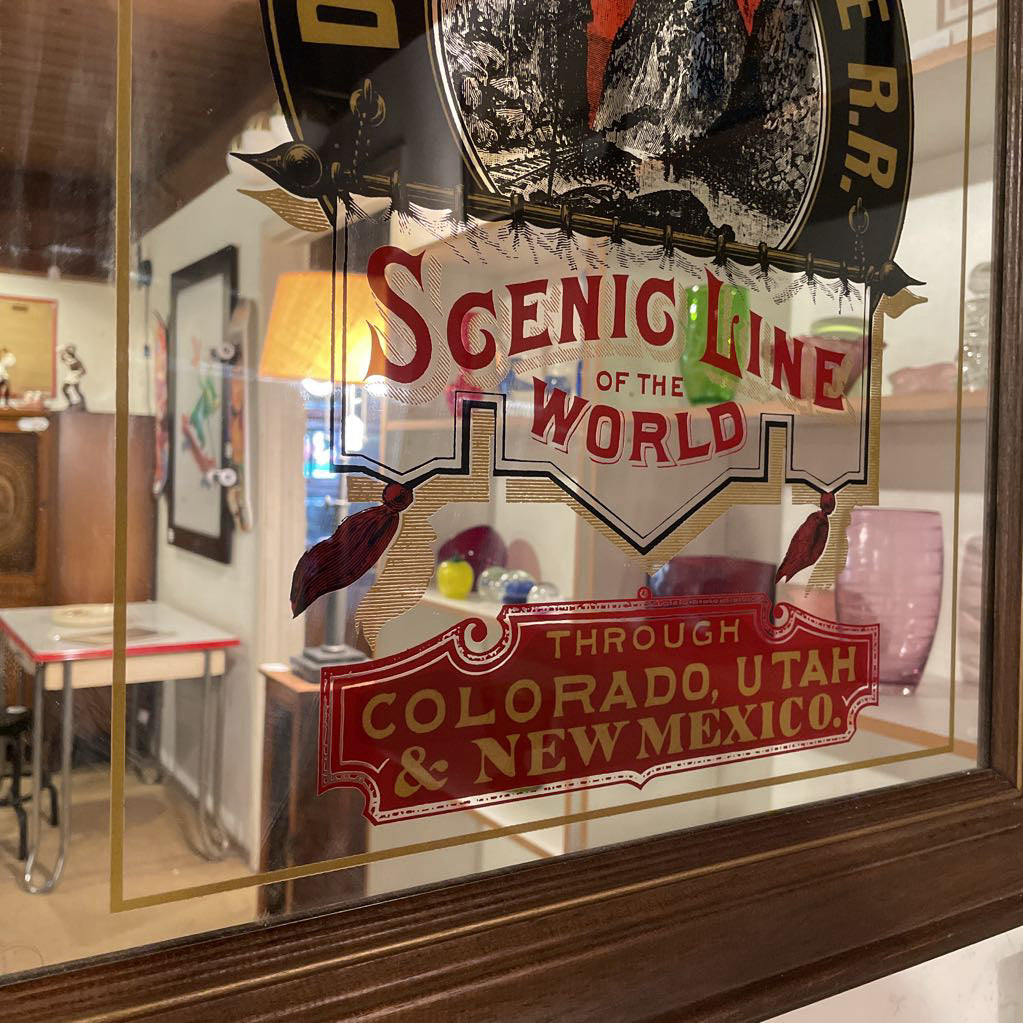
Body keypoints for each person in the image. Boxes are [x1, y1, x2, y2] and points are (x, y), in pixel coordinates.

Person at [61, 344, 87, 410]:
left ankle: (83, 404)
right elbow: (63, 359)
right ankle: (70, 403)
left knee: (77, 391)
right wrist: (63, 350)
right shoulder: (69, 360)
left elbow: (84, 371)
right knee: (64, 389)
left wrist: (78, 374)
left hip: (75, 377)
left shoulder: (77, 361)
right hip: (70, 376)